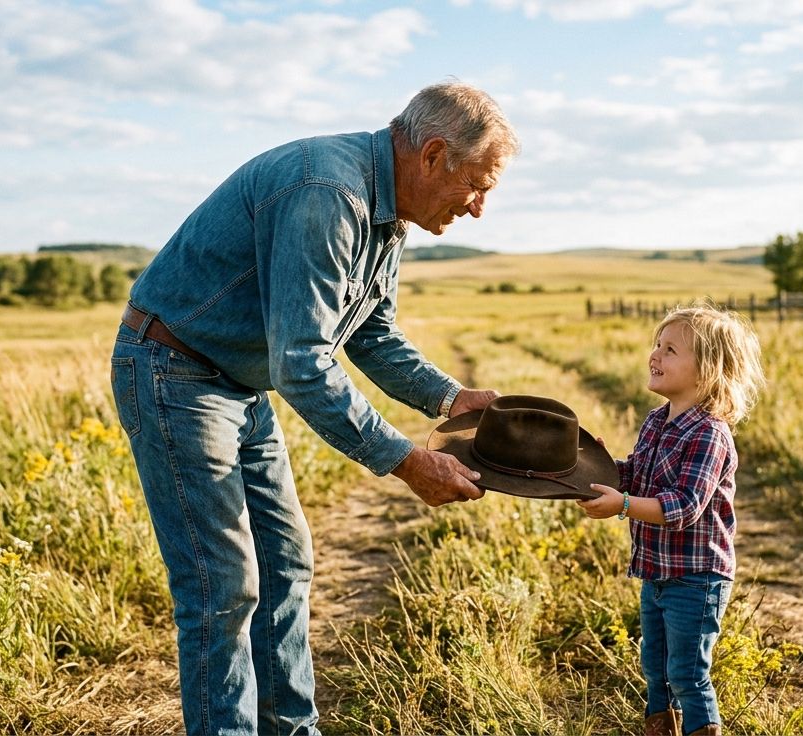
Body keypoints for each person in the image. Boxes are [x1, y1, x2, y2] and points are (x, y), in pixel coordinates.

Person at [108, 81, 517, 734]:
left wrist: (452, 397)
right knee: (223, 586)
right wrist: (406, 461)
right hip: (175, 372)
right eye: (478, 185)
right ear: (434, 154)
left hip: (238, 383)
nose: (477, 209)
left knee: (286, 563)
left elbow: (370, 332)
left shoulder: (387, 215)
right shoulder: (327, 193)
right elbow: (302, 362)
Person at [576, 305, 766, 736]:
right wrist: (597, 466)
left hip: (696, 578)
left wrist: (623, 505)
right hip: (657, 571)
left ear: (708, 371)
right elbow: (638, 476)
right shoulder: (658, 420)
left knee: (687, 673)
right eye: (657, 346)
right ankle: (660, 727)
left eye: (670, 349)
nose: (655, 355)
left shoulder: (709, 433)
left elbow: (683, 506)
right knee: (654, 666)